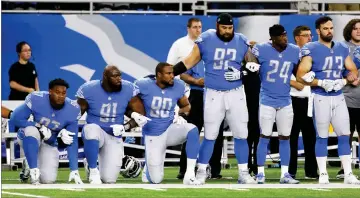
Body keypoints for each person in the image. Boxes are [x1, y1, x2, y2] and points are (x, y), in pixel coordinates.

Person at [172, 13, 256, 184]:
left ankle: (244, 173)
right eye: (224, 28)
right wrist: (168, 73)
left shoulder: (241, 40)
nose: (227, 31)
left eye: (230, 28)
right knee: (210, 135)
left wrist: (242, 72)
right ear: (217, 26)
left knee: (241, 134)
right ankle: (202, 171)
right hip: (213, 93)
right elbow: (188, 62)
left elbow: (253, 65)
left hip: (236, 92)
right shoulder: (206, 39)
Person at [296, 16, 360, 185]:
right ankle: (323, 172)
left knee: (344, 135)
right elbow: (301, 76)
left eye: (331, 28)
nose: (329, 31)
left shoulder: (341, 47)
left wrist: (344, 80)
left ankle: (348, 173)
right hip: (320, 96)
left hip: (338, 96)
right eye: (326, 28)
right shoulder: (310, 48)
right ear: (318, 31)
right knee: (322, 136)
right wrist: (320, 82)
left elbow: (353, 71)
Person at [167, 17, 224, 179]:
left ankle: (214, 169)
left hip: (214, 93)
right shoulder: (181, 46)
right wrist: (195, 81)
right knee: (192, 130)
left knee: (216, 132)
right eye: (195, 27)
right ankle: (184, 168)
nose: (198, 30)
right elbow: (173, 69)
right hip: (192, 94)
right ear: (188, 28)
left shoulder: (211, 50)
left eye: (200, 27)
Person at [76, 65, 149, 184]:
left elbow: (140, 115)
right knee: (90, 129)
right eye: (114, 76)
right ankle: (93, 169)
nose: (119, 79)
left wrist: (125, 127)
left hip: (115, 133)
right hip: (96, 129)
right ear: (105, 77)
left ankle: (92, 164)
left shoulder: (128, 88)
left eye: (119, 75)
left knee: (109, 179)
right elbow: (77, 114)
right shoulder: (89, 89)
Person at [246, 24, 300, 184]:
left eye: (285, 35)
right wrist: (250, 57)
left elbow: (299, 72)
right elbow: (249, 62)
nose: (285, 38)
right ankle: (260, 173)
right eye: (282, 36)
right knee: (264, 137)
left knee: (285, 138)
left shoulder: (294, 50)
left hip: (285, 100)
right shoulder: (260, 49)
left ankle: (285, 174)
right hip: (267, 100)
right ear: (273, 38)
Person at [137, 63, 201, 185]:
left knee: (192, 129)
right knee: (156, 180)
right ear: (159, 75)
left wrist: (179, 113)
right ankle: (148, 168)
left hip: (170, 128)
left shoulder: (178, 86)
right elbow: (129, 102)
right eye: (169, 73)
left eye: (173, 73)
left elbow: (187, 106)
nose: (173, 76)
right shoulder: (143, 85)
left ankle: (190, 175)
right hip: (153, 134)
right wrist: (136, 116)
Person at [10, 78, 83, 185]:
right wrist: (38, 126)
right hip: (29, 137)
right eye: (57, 92)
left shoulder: (73, 109)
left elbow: (72, 140)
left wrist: (74, 170)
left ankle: (28, 161)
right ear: (50, 91)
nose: (61, 96)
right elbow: (15, 119)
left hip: (49, 142)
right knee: (31, 130)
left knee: (48, 180)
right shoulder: (36, 99)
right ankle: (33, 169)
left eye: (64, 93)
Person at [289, 25, 318, 179]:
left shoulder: (314, 54)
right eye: (306, 35)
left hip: (309, 99)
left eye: (310, 35)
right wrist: (294, 83)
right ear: (297, 37)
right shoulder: (289, 52)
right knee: (291, 136)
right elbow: (279, 73)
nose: (309, 38)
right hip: (292, 99)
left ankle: (312, 172)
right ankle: (290, 171)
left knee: (311, 137)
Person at [337, 19, 360, 179]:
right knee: (346, 133)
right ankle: (344, 168)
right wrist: (349, 76)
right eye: (355, 28)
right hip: (346, 98)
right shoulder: (342, 48)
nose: (359, 31)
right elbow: (336, 67)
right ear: (349, 30)